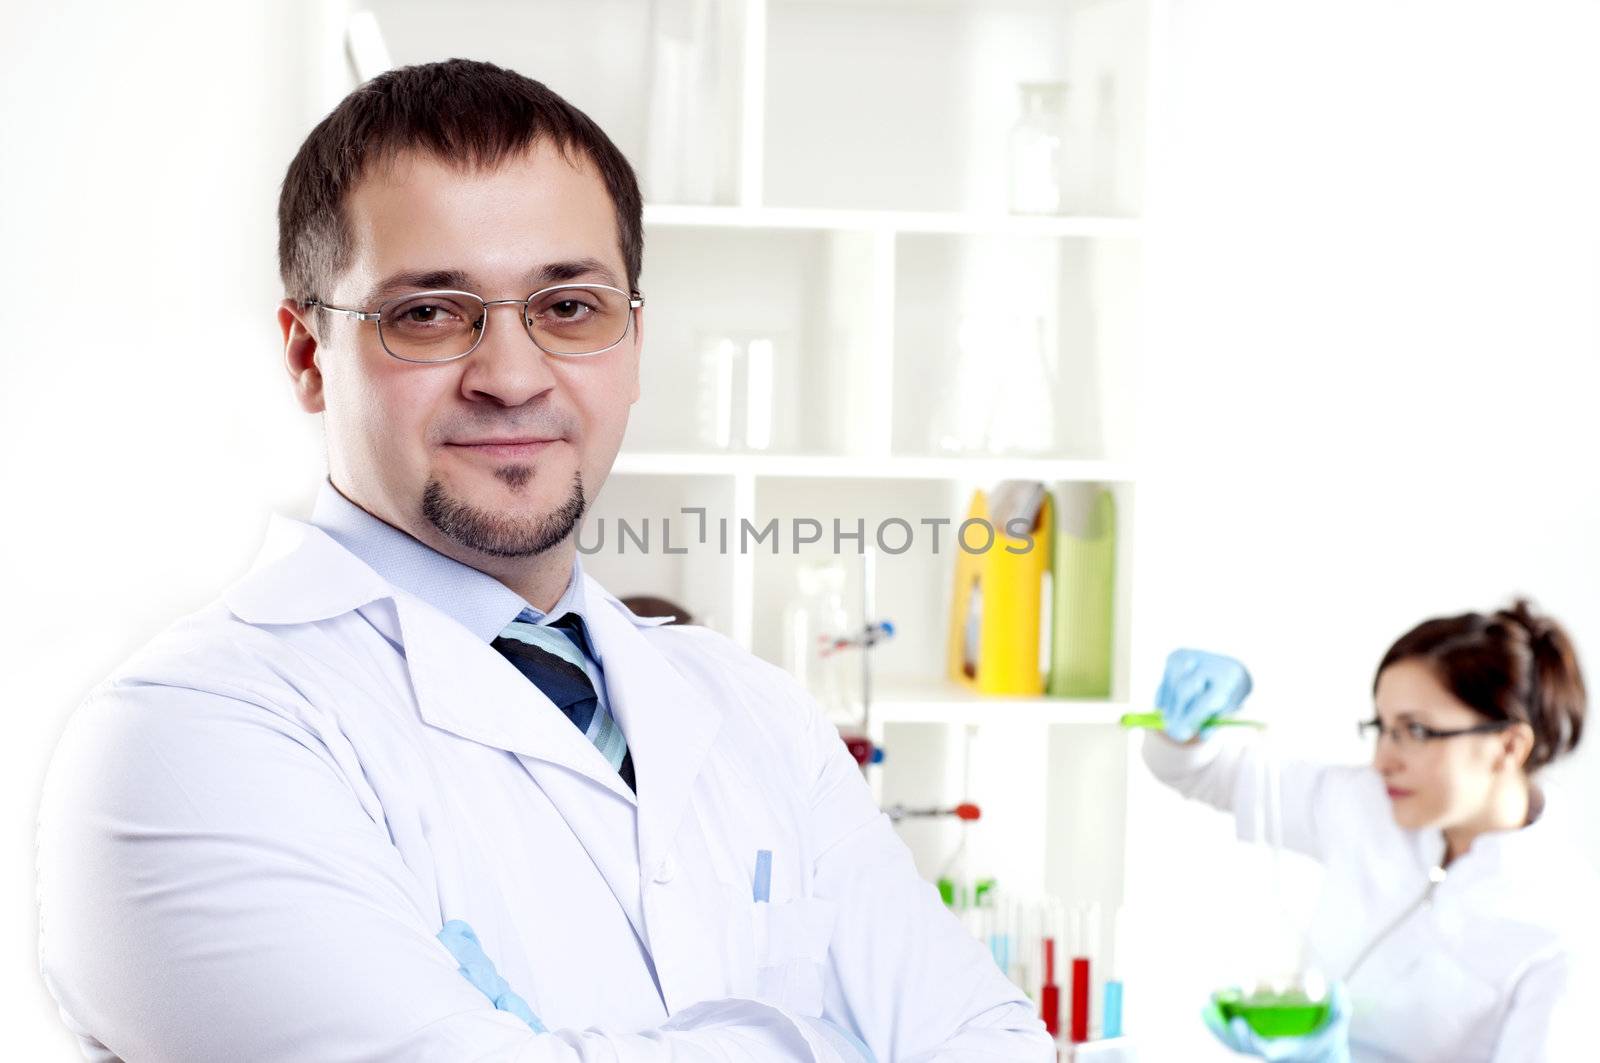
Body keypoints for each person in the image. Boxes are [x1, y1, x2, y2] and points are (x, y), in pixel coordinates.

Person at [35, 60, 1051, 1062]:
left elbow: (998, 1044)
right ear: (308, 356)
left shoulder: (756, 713)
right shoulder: (185, 735)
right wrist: (825, 1039)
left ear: (635, 341)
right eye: (428, 313)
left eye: (568, 307)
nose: (513, 376)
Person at [1147, 600, 1597, 1062]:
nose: (1382, 760)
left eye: (1416, 731)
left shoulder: (1561, 928)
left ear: (1509, 745)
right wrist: (1195, 717)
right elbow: (1195, 770)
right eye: (1381, 727)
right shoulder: (1367, 805)